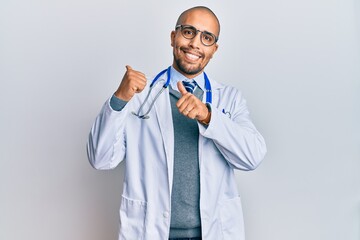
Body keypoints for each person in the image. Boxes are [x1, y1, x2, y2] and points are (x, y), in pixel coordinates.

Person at [87, 6, 266, 240]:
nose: (195, 44)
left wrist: (208, 116)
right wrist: (119, 98)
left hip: (212, 233)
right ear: (173, 37)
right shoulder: (139, 95)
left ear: (214, 49)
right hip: (150, 232)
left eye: (206, 37)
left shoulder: (229, 99)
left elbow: (252, 157)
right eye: (188, 32)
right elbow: (100, 159)